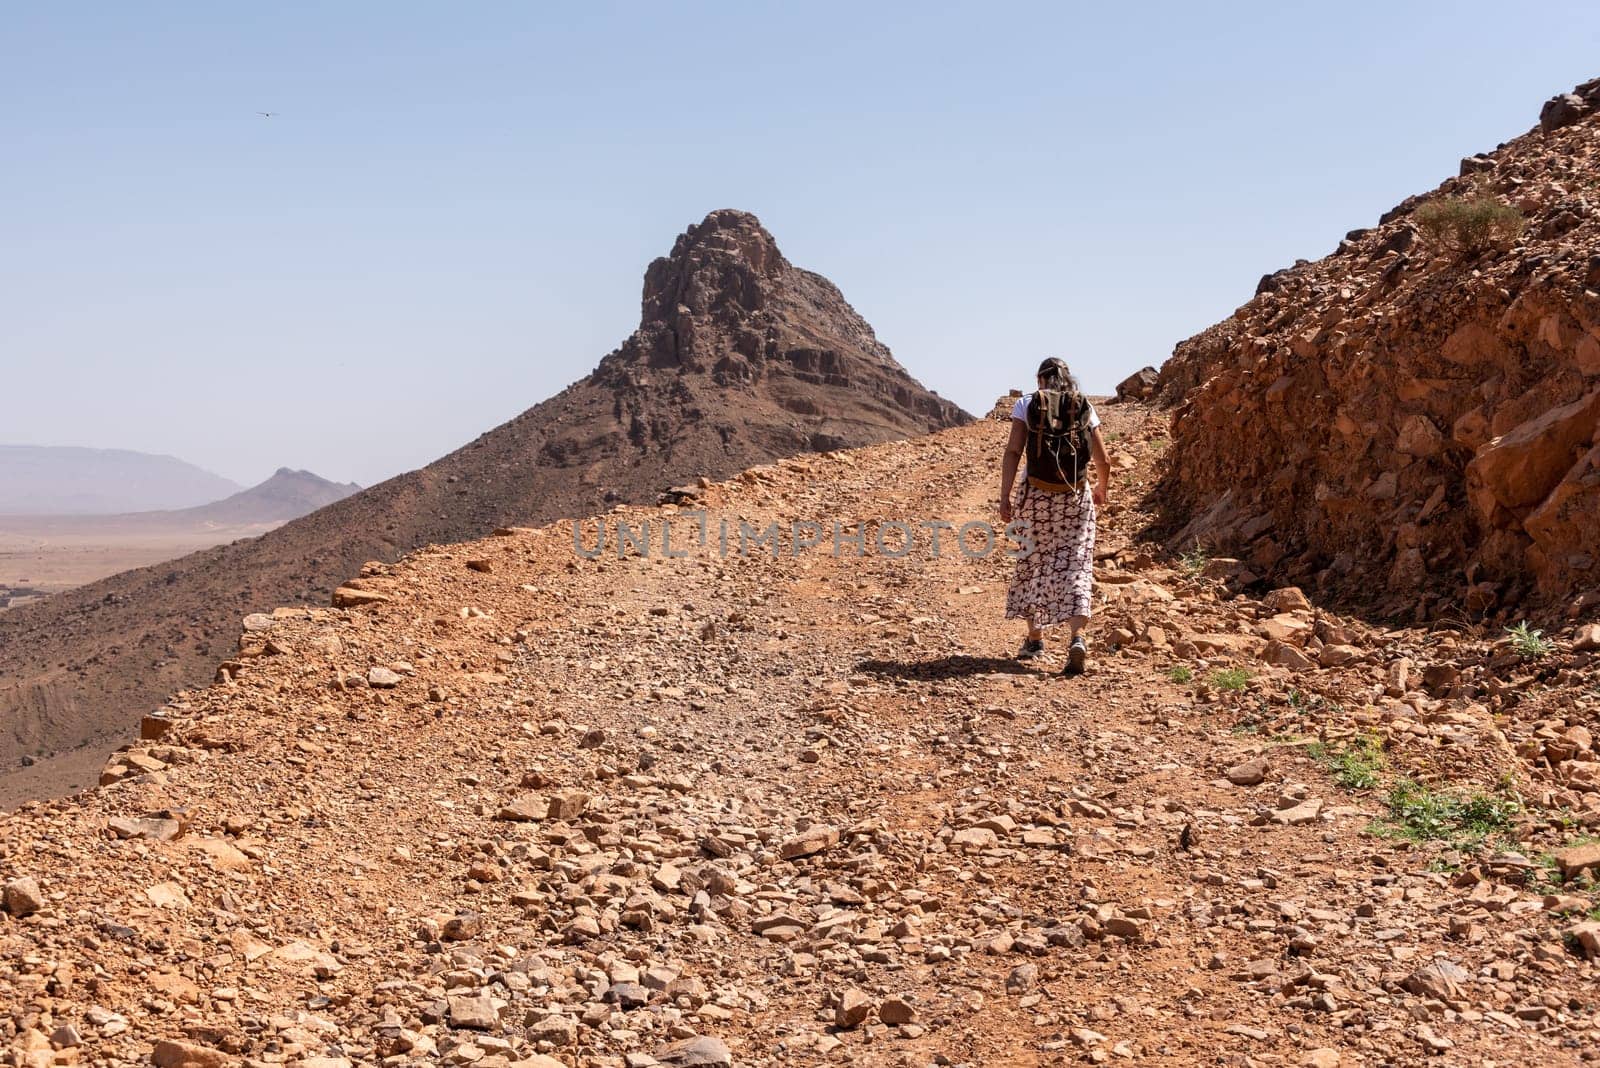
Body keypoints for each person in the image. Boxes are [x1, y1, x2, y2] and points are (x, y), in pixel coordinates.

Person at [999, 358, 1111, 675]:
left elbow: (1012, 452)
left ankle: (1035, 639)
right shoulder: (1082, 405)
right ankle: (1077, 636)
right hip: (1075, 497)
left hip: (1035, 496)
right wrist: (1101, 489)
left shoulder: (1026, 404)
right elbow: (1103, 459)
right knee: (1075, 563)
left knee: (1034, 562)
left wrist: (1005, 496)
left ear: (1040, 380)